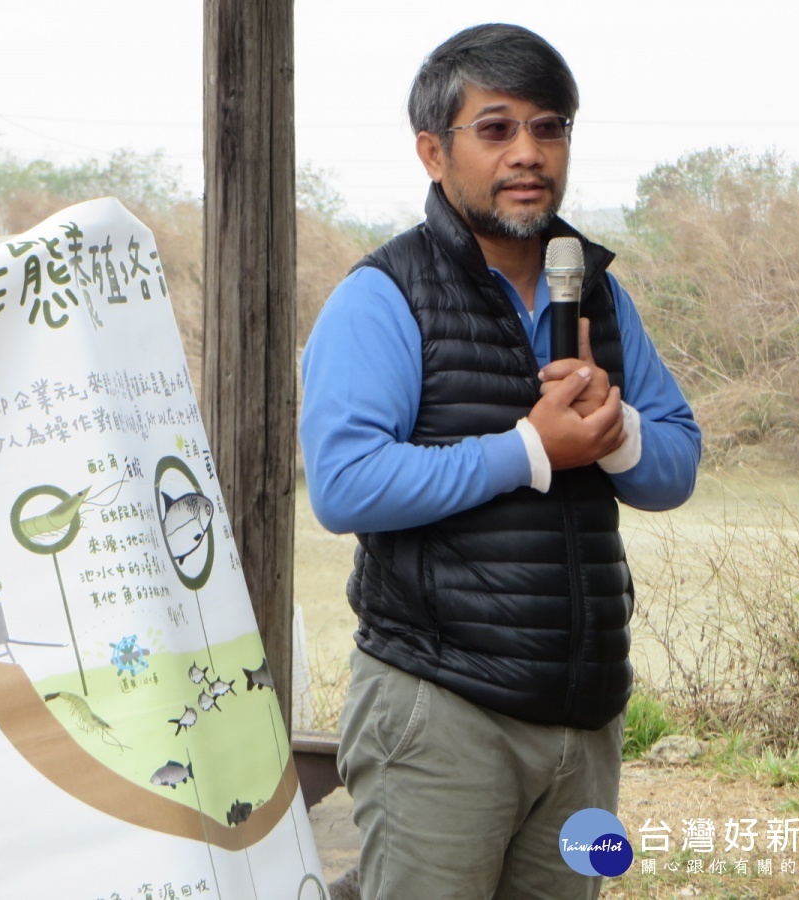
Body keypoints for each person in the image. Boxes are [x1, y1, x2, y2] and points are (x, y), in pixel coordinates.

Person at [298, 23, 701, 899]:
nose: (528, 153)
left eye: (549, 127)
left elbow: (676, 463)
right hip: (440, 710)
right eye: (497, 128)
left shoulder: (594, 290)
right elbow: (343, 484)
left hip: (584, 715)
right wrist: (529, 450)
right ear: (433, 152)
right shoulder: (383, 295)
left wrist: (617, 431)